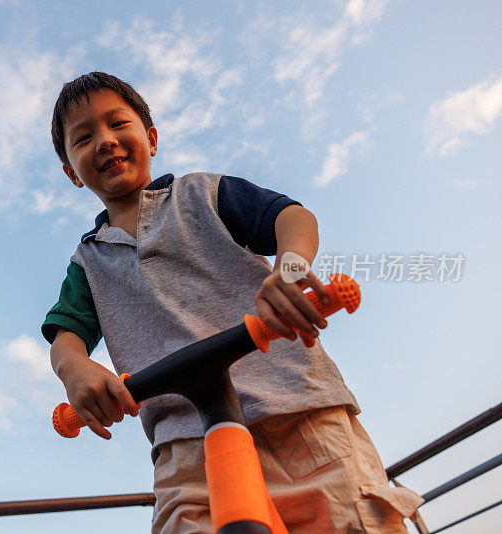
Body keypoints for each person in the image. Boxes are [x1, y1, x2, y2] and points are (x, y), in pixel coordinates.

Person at [41, 72, 422, 533]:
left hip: (297, 412)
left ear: (151, 138)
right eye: (83, 137)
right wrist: (73, 369)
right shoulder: (89, 261)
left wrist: (291, 270)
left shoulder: (202, 194)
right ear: (70, 172)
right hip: (186, 450)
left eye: (118, 124)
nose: (105, 140)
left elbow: (292, 217)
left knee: (354, 522)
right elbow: (67, 338)